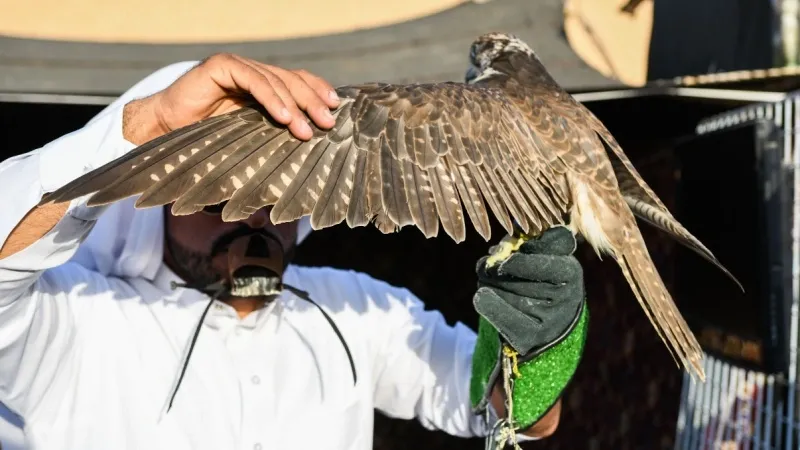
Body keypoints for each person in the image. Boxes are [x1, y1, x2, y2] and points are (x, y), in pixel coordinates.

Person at [0, 54, 588, 450]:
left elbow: (500, 409)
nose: (254, 216)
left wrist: (540, 347)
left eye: (274, 192)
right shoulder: (76, 320)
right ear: (151, 204)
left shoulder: (356, 310)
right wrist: (150, 123)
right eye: (219, 198)